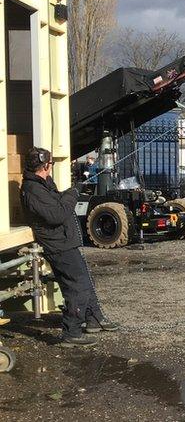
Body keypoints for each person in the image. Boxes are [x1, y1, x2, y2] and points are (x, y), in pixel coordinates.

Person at [19, 147, 118, 347]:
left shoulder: (43, 183)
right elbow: (57, 214)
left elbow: (56, 203)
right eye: (50, 164)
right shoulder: (32, 189)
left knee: (85, 280)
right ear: (45, 165)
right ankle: (71, 331)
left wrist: (71, 191)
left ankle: (93, 318)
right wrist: (73, 194)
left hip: (65, 240)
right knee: (77, 285)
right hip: (57, 244)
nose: (51, 168)